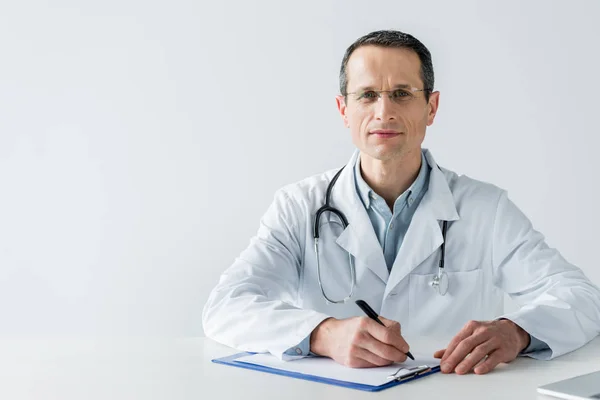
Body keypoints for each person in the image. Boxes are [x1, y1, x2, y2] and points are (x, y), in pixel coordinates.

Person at [202, 30, 600, 375]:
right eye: (368, 95)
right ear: (344, 109)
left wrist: (517, 331)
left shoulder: (486, 209)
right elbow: (225, 307)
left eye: (401, 94)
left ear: (431, 107)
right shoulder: (297, 207)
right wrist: (324, 334)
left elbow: (582, 298)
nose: (383, 112)